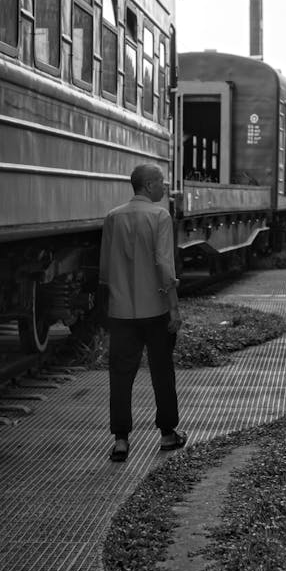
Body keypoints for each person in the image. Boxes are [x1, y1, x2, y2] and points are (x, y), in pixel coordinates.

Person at [99, 163, 186, 462]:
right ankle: (167, 434)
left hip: (121, 311)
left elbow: (106, 270)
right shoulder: (160, 215)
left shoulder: (113, 217)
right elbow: (164, 263)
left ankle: (121, 440)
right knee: (162, 371)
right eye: (162, 182)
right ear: (149, 186)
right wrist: (173, 306)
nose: (165, 187)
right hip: (156, 308)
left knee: (120, 376)